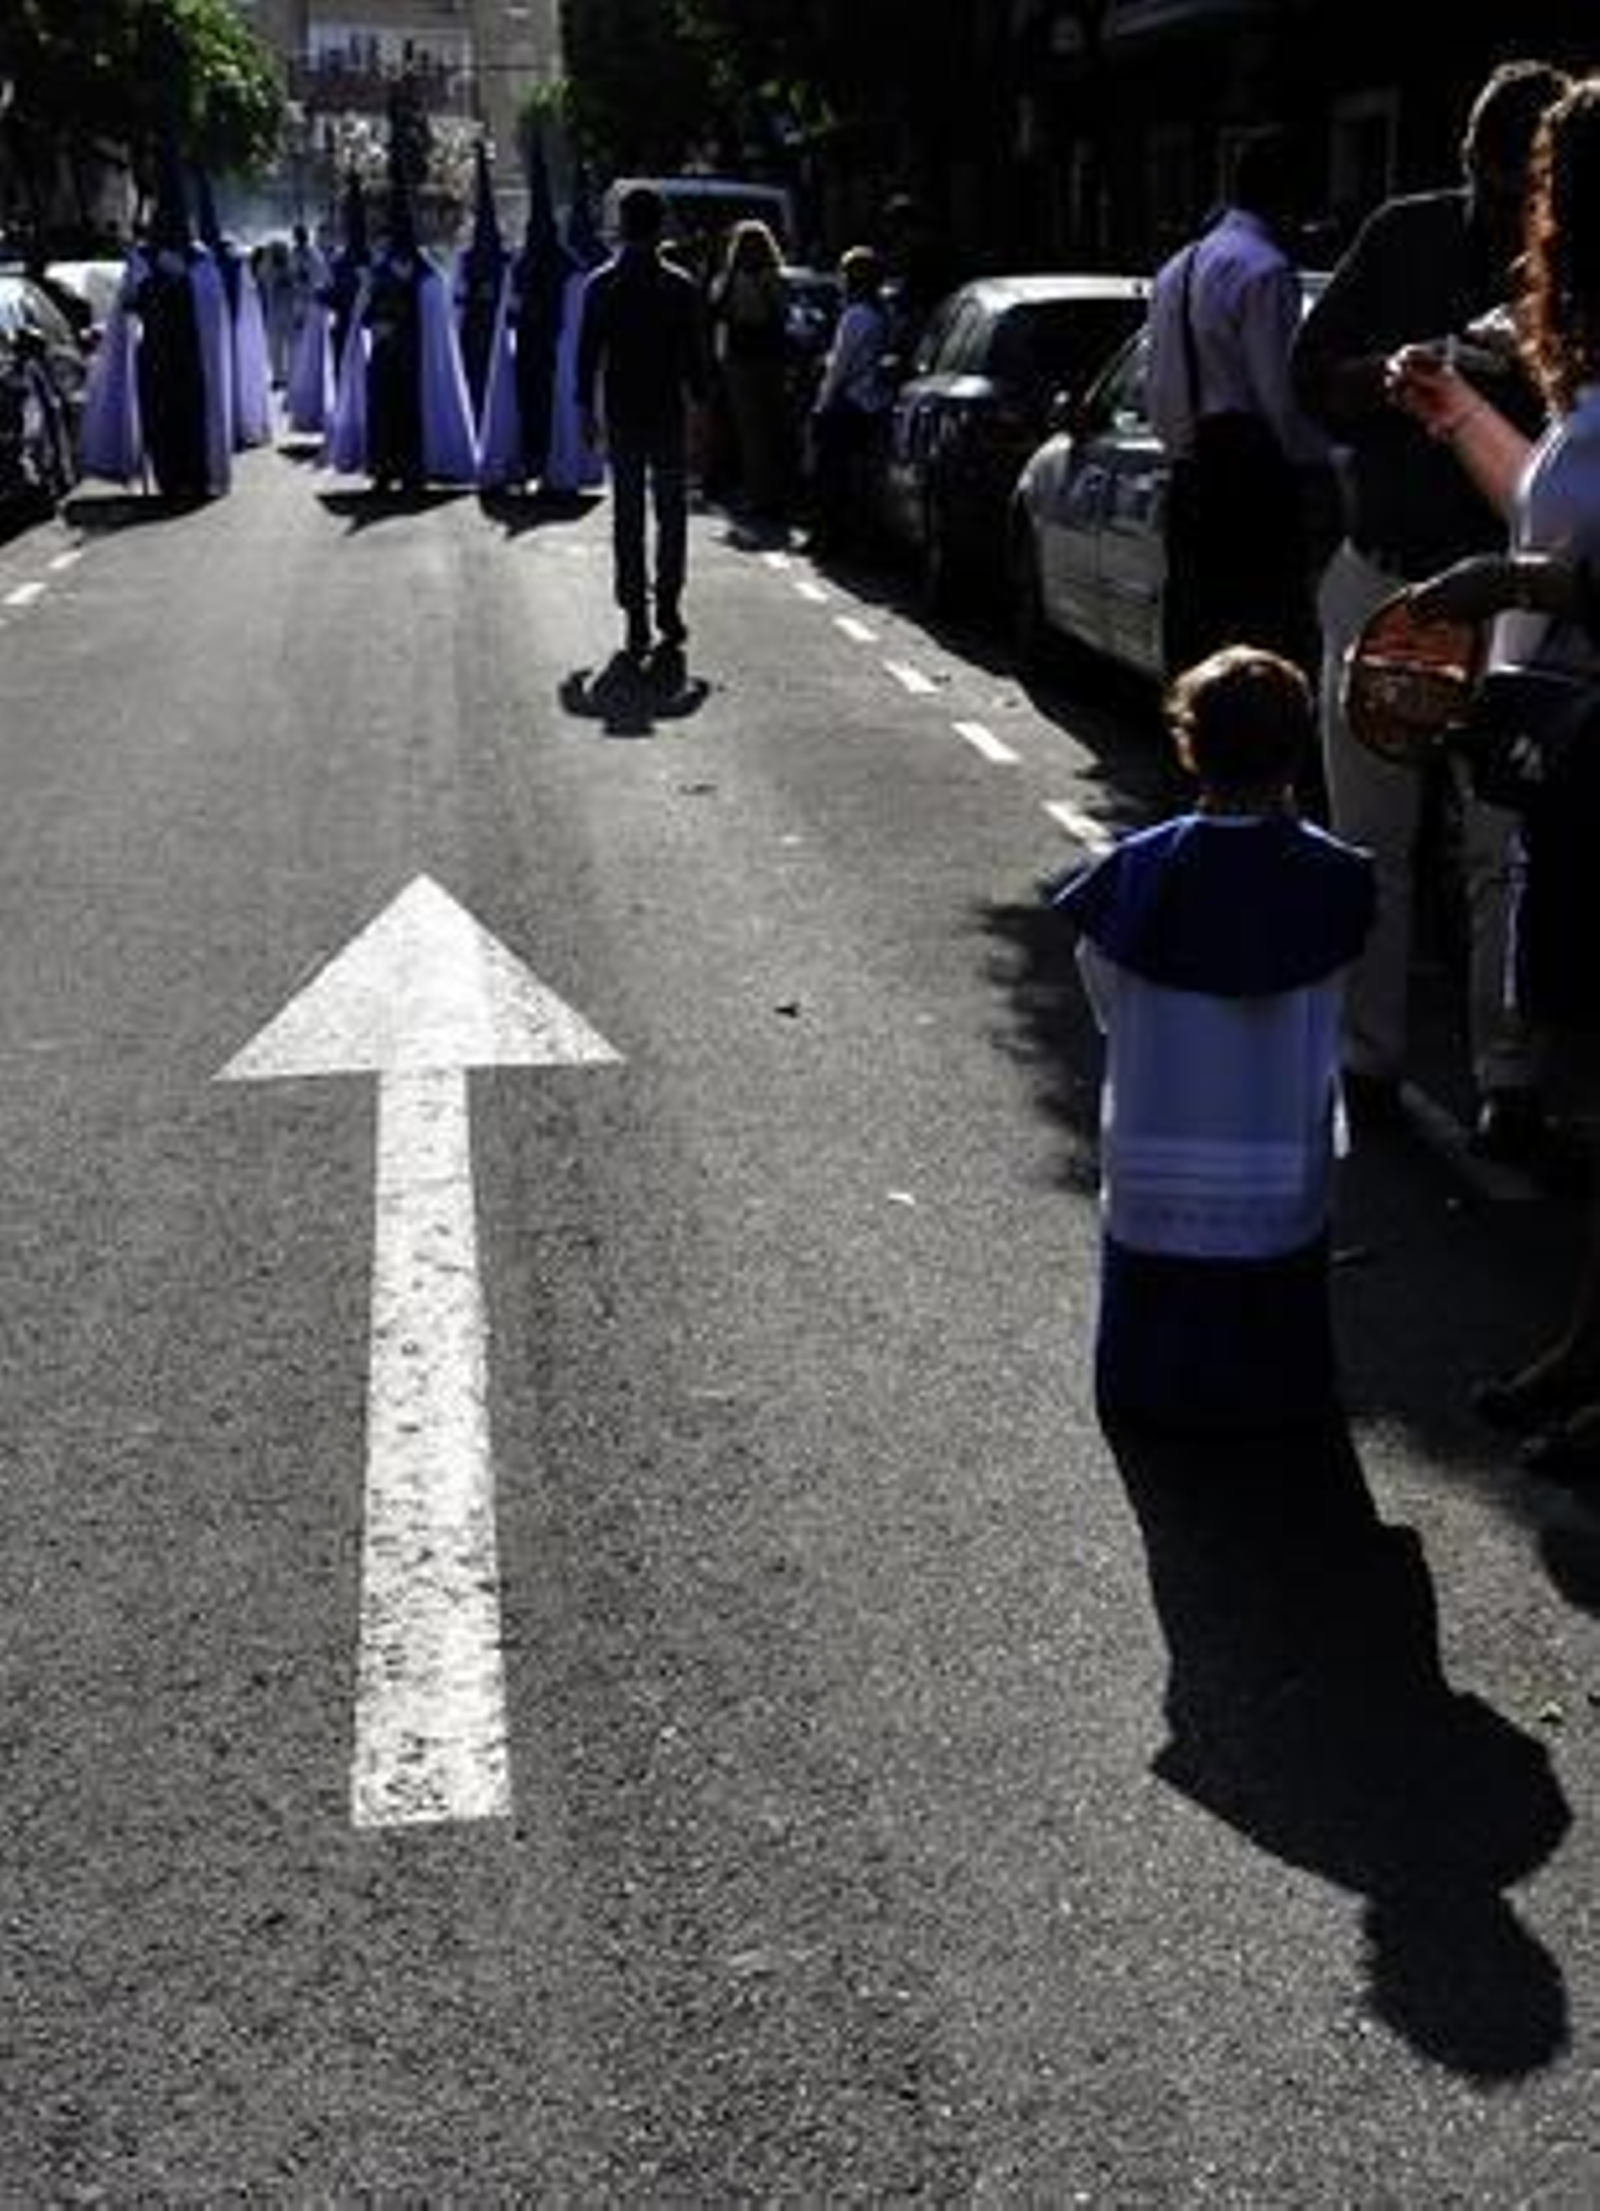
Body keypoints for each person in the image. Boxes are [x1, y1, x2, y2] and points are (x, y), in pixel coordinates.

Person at [1290, 59, 1571, 1157]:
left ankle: (1510, 1077)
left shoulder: (1578, 271)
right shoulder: (1403, 237)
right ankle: (1369, 1060)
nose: (1509, 211)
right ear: (1470, 163)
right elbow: (1310, 372)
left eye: (1527, 192)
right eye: (1496, 185)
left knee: (1508, 845)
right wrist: (1386, 375)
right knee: (1371, 837)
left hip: (1517, 594)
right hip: (1394, 569)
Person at [1392, 76, 1600, 1480]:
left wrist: (1513, 576)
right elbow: (1560, 513)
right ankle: (1590, 1347)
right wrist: (1465, 419)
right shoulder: (1590, 371)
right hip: (1567, 762)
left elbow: (1571, 556)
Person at [1052, 646, 1375, 1430]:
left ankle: (1152, 1392)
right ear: (1297, 748)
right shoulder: (1333, 878)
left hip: (1159, 1145)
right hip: (1275, 1151)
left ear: (1189, 741)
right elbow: (1338, 981)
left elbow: (1102, 981)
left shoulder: (1136, 871)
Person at [1147, 129, 1332, 678]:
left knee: (1195, 638)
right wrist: (1321, 463)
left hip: (1188, 475)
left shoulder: (1176, 267)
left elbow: (1160, 387)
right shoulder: (1265, 269)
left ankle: (1195, 752)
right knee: (1259, 639)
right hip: (1249, 481)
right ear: (1285, 197)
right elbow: (1280, 395)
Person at [576, 182, 710, 659]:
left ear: (623, 224)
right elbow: (697, 360)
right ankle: (667, 605)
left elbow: (586, 356)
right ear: (660, 227)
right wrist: (700, 412)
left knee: (627, 517)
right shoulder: (680, 285)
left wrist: (585, 413)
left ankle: (635, 611)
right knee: (671, 515)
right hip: (666, 411)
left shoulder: (600, 284)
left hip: (622, 411)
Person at [78, 145, 231, 502]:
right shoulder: (144, 260)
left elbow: (210, 304)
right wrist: (148, 287)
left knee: (189, 418)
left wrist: (175, 279)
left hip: (190, 355)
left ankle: (194, 475)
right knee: (159, 419)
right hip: (156, 356)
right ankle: (169, 478)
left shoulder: (199, 260)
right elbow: (129, 304)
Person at [326, 159, 477, 493]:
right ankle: (382, 469)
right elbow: (364, 313)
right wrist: (377, 323)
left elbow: (434, 319)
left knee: (410, 414)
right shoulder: (380, 269)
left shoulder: (428, 275)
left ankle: (411, 469)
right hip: (384, 357)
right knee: (382, 412)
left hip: (414, 360)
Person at [806, 245, 893, 556]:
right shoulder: (883, 312)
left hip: (850, 402)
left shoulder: (855, 315)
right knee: (862, 477)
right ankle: (859, 538)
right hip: (874, 402)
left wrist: (821, 403)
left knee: (829, 473)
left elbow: (840, 366)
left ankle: (828, 537)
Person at [708, 218, 791, 522]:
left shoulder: (728, 279)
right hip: (771, 357)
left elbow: (716, 314)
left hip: (739, 359)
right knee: (775, 428)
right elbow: (784, 316)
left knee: (750, 431)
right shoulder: (776, 278)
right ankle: (778, 494)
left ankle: (759, 495)